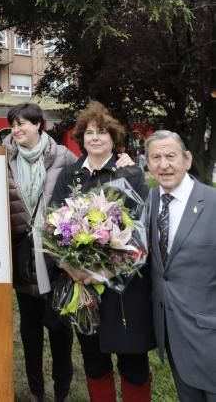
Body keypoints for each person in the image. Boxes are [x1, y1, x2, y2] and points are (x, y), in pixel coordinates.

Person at [51, 101, 155, 402]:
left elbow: (139, 231)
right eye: (89, 133)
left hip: (123, 288)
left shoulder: (131, 175)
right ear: (81, 138)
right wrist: (71, 268)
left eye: (102, 133)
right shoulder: (70, 175)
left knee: (132, 361)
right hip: (83, 286)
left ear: (114, 139)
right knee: (94, 360)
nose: (95, 138)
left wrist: (108, 270)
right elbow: (53, 223)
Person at [0, 102, 77, 402]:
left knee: (61, 329)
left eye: (23, 123)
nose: (17, 129)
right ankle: (36, 391)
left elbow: (85, 192)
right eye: (13, 124)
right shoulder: (1, 155)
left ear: (40, 125)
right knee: (30, 329)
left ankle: (61, 390)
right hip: (22, 253)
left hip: (57, 259)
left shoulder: (64, 157)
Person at [147, 130, 216, 402]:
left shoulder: (212, 203)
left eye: (170, 156)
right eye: (156, 157)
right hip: (173, 334)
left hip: (210, 337)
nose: (163, 165)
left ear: (187, 160)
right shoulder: (151, 201)